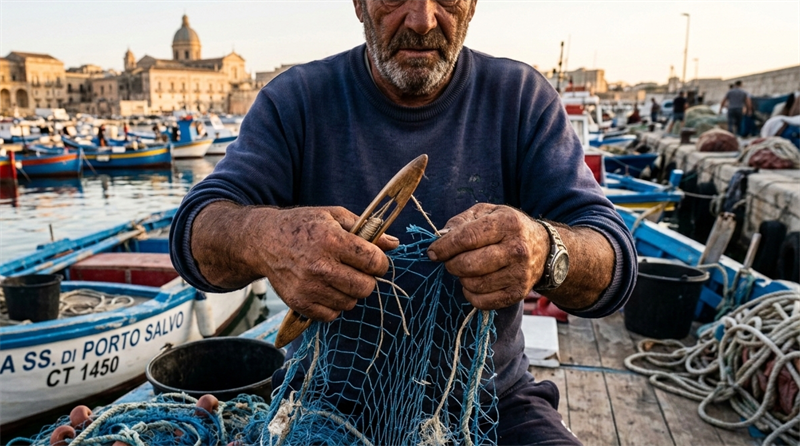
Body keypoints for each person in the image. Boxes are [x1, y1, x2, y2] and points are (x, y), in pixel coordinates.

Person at [169, 0, 637, 444]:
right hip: (322, 408)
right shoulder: (295, 100)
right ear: (358, 4)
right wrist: (267, 239)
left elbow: (614, 265)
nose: (422, 20)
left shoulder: (521, 98)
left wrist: (544, 249)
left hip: (492, 405)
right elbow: (194, 233)